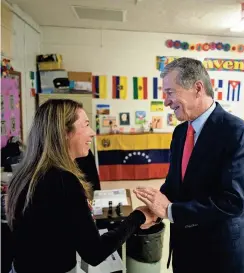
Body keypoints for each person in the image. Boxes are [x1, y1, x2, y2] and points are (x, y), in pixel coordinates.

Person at [134, 57, 244, 273]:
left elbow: (233, 201)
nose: (166, 102)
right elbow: (174, 185)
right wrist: (155, 208)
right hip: (184, 247)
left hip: (221, 252)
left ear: (197, 88)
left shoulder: (235, 131)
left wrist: (171, 211)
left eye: (170, 92)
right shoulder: (180, 132)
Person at [6, 99, 157, 273]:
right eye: (85, 125)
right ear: (65, 132)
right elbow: (94, 252)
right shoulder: (64, 181)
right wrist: (138, 216)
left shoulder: (25, 174)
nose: (92, 133)